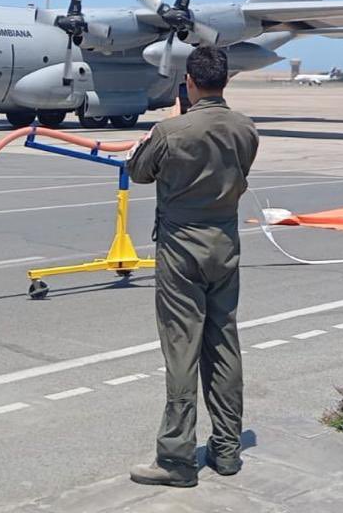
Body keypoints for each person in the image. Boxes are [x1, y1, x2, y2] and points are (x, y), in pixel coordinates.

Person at [126, 45, 259, 488]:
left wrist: (146, 143)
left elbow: (140, 172)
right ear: (225, 80)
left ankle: (177, 458)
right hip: (225, 246)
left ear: (190, 82)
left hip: (182, 251)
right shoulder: (246, 129)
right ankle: (226, 450)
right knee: (223, 344)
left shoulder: (171, 131)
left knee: (182, 349)